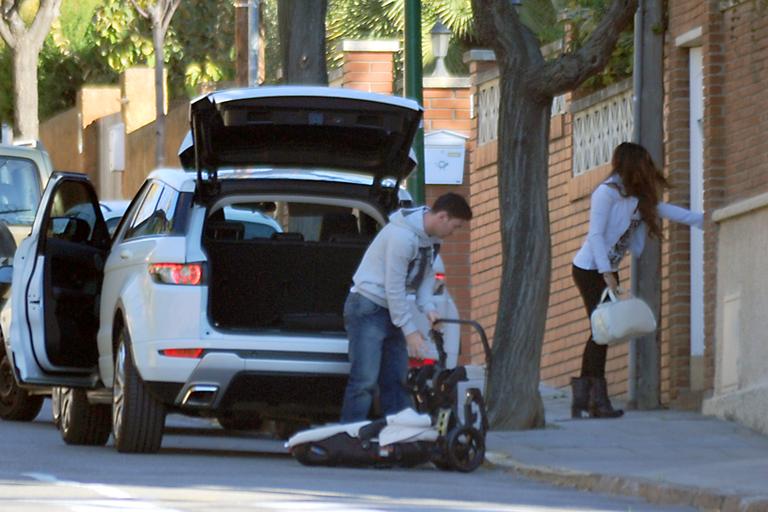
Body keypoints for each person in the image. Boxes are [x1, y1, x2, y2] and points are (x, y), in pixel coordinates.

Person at [571, 142, 703, 419]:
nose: (647, 170)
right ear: (631, 164)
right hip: (589, 268)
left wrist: (702, 220)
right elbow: (595, 235)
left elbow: (665, 211)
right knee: (602, 331)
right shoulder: (605, 194)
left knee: (601, 332)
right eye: (643, 164)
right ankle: (594, 400)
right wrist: (606, 272)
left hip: (608, 270)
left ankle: (585, 398)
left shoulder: (636, 197)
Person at [340, 193, 473, 423]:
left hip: (391, 309)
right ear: (443, 217)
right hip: (368, 307)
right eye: (456, 226)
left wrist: (429, 308)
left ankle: (400, 437)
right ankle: (350, 437)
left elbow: (424, 277)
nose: (455, 233)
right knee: (365, 380)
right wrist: (410, 332)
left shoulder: (431, 240)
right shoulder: (402, 237)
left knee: (396, 379)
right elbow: (394, 288)